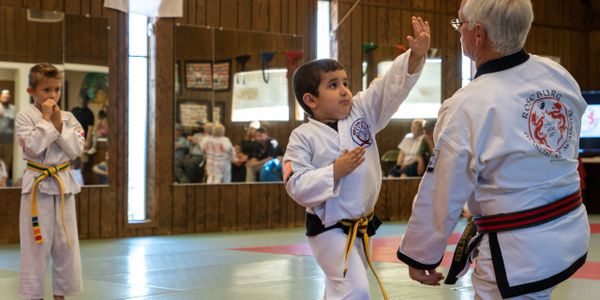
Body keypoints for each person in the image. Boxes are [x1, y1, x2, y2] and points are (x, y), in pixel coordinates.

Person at [396, 1, 590, 299]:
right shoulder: (557, 75)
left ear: (478, 34)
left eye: (459, 23)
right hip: (568, 233)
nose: (458, 30)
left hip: (517, 251)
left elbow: (442, 189)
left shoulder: (468, 105)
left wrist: (421, 254)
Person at [283, 16, 429, 300]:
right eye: (333, 85)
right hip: (327, 229)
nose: (345, 90)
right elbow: (295, 183)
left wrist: (415, 56)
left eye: (346, 82)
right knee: (355, 291)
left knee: (341, 289)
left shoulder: (360, 112)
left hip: (360, 226)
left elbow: (388, 88)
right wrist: (333, 171)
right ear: (311, 100)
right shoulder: (302, 137)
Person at [15, 63, 84, 299]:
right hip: (36, 187)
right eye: (46, 90)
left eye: (56, 89)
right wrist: (46, 120)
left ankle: (61, 296)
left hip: (64, 185)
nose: (53, 95)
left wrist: (57, 124)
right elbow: (32, 148)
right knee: (36, 246)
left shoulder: (69, 118)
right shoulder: (24, 117)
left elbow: (76, 149)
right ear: (31, 91)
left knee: (66, 245)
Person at [0, 89, 15, 183]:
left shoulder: (13, 108)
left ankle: (3, 184)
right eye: (4, 96)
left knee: (6, 162)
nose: (6, 98)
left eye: (7, 96)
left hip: (9, 141)